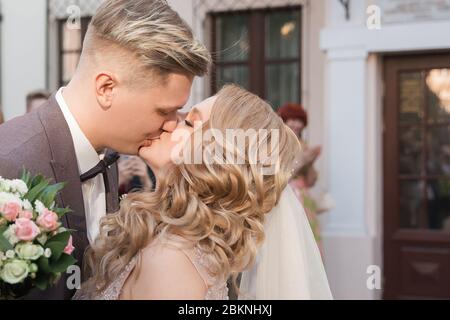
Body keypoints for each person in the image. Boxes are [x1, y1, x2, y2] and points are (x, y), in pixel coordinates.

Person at [0, 0, 210, 300]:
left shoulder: (108, 156)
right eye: (164, 110)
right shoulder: (8, 163)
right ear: (106, 88)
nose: (169, 125)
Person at [75, 85, 332, 300]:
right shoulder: (170, 240)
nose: (168, 121)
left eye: (189, 121)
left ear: (217, 158)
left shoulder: (172, 262)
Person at [278, 103, 327, 256]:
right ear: (283, 121)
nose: (296, 124)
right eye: (291, 119)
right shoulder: (278, 144)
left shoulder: (304, 145)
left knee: (309, 241)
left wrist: (311, 161)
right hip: (285, 196)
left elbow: (311, 181)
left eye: (299, 120)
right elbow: (280, 176)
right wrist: (302, 161)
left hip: (304, 199)